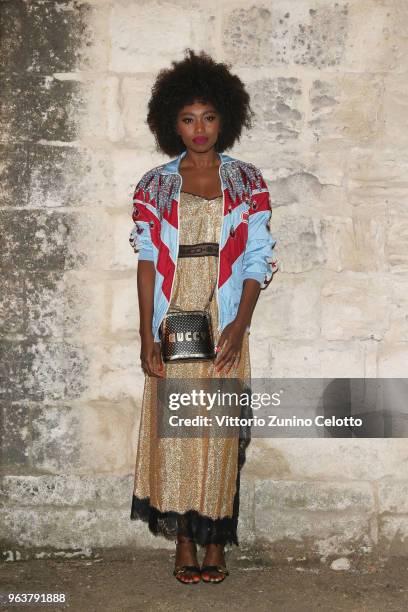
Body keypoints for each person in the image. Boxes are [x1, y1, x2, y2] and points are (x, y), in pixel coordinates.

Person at [129, 48, 278, 584]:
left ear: (225, 119)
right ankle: (184, 544)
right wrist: (146, 334)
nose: (199, 128)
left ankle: (216, 544)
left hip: (223, 316)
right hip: (174, 317)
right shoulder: (155, 185)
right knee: (178, 436)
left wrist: (240, 326)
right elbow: (147, 262)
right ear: (172, 121)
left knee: (215, 432)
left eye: (209, 117)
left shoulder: (247, 182)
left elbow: (259, 258)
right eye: (188, 118)